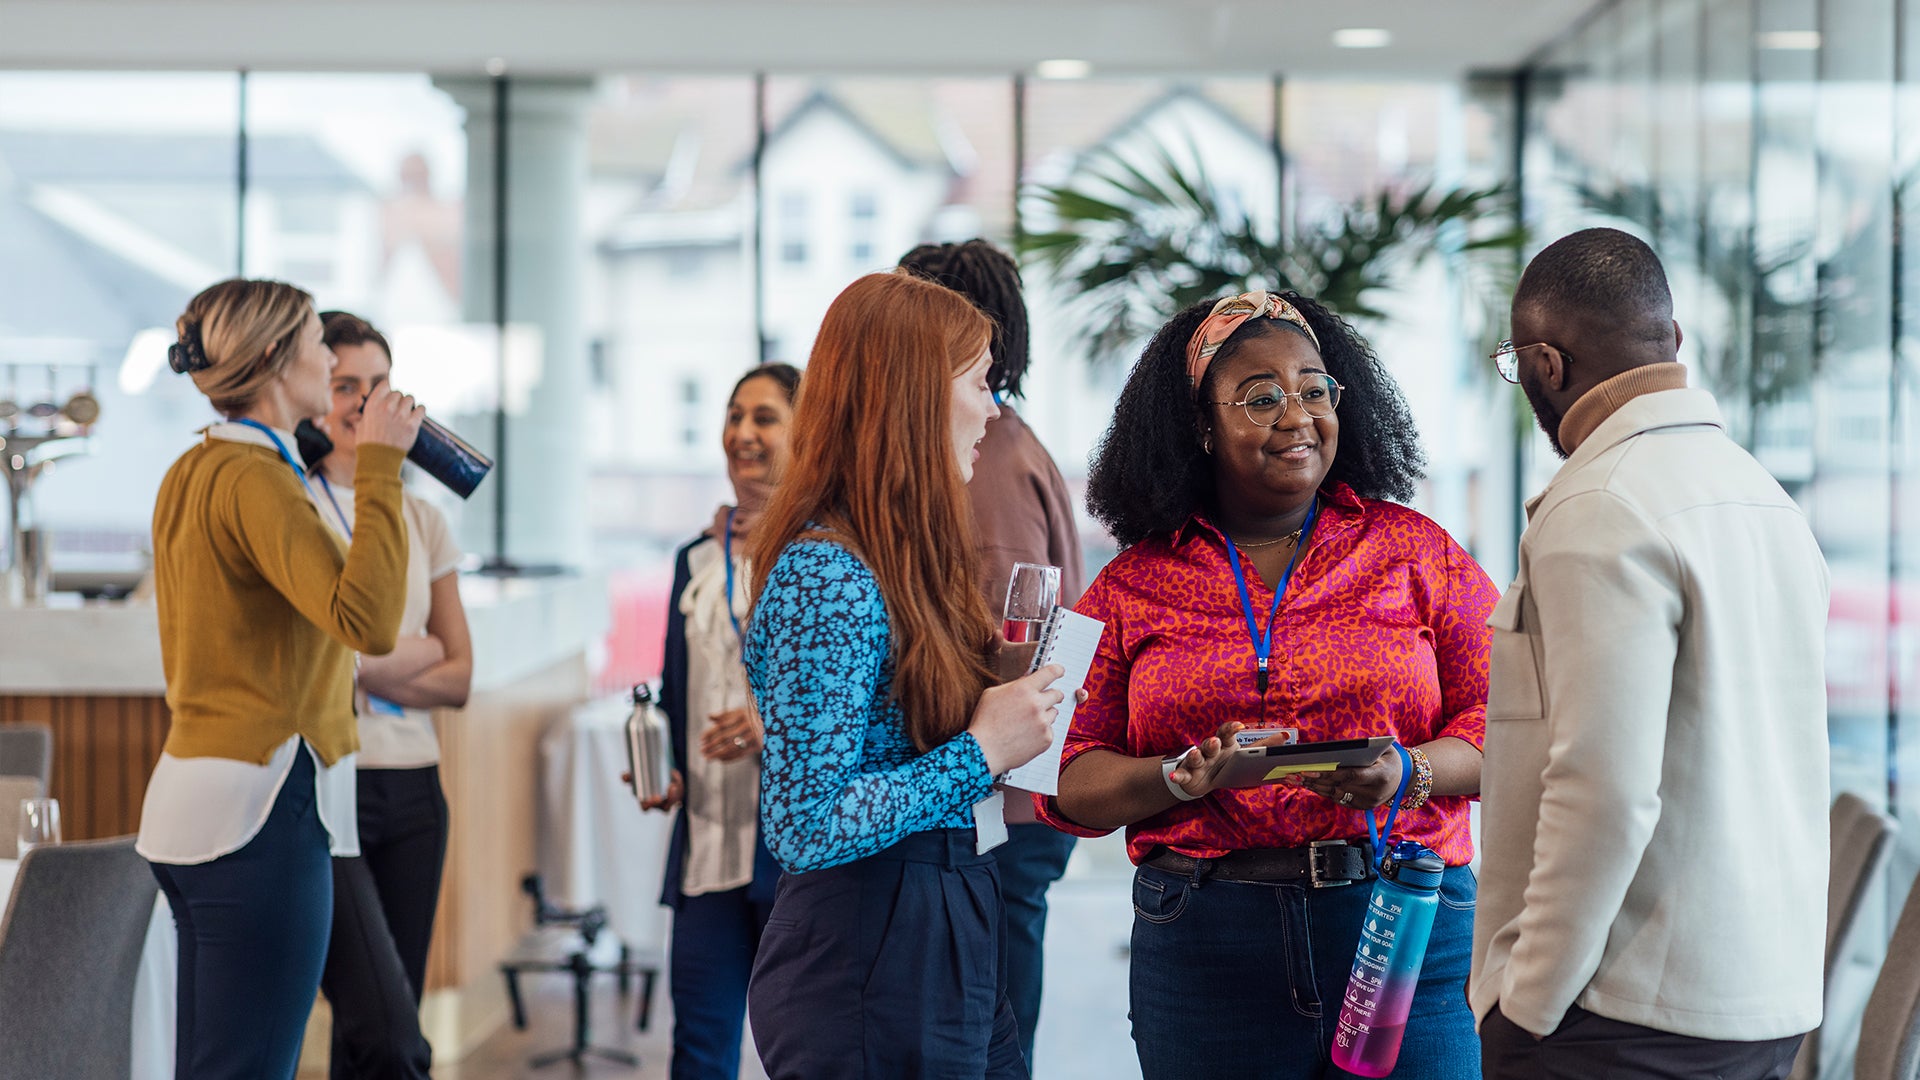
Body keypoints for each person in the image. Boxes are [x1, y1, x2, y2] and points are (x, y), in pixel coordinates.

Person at [1034, 291, 1496, 1080]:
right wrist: (1178, 779)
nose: (1298, 416)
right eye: (1261, 397)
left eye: (1315, 390)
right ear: (1201, 427)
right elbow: (1062, 775)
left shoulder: (1416, 552)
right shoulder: (1129, 586)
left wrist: (1409, 772)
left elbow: (1514, 721)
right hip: (1208, 940)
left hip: (1402, 920)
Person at [1471, 228, 1829, 1078]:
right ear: (1673, 344)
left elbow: (1603, 785)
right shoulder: (1761, 495)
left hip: (1621, 1012)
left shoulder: (1601, 503)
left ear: (1545, 366)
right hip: (1758, 1002)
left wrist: (1527, 1000)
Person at [743, 270, 1068, 1078]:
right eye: (980, 383)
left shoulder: (900, 562)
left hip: (939, 915)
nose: (995, 410)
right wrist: (980, 750)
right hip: (868, 947)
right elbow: (804, 825)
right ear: (914, 395)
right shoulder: (827, 575)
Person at [140, 279, 421, 1080]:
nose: (329, 358)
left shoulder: (190, 471)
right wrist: (381, 472)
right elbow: (366, 620)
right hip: (259, 809)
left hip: (190, 801)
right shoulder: (258, 481)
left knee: (213, 1065)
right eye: (313, 342)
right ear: (272, 360)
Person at [898, 239, 1083, 1070]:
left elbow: (1004, 646)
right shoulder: (1002, 444)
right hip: (997, 790)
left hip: (996, 800)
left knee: (984, 1042)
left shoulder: (985, 461)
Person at [308, 311, 471, 1079]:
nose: (367, 406)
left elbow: (460, 675)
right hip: (325, 787)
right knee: (382, 1023)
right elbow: (313, 663)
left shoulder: (423, 517)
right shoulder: (296, 506)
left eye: (379, 387)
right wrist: (409, 655)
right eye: (346, 386)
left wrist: (359, 664)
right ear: (316, 394)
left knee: (382, 1016)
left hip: (413, 790)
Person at [640, 362, 798, 1080]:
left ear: (807, 432)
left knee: (802, 1051)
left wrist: (775, 727)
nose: (742, 433)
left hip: (790, 852)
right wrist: (664, 762)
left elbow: (864, 701)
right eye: (735, 417)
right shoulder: (694, 559)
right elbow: (681, 690)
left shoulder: (823, 556)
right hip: (706, 842)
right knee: (697, 1051)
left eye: (764, 418)